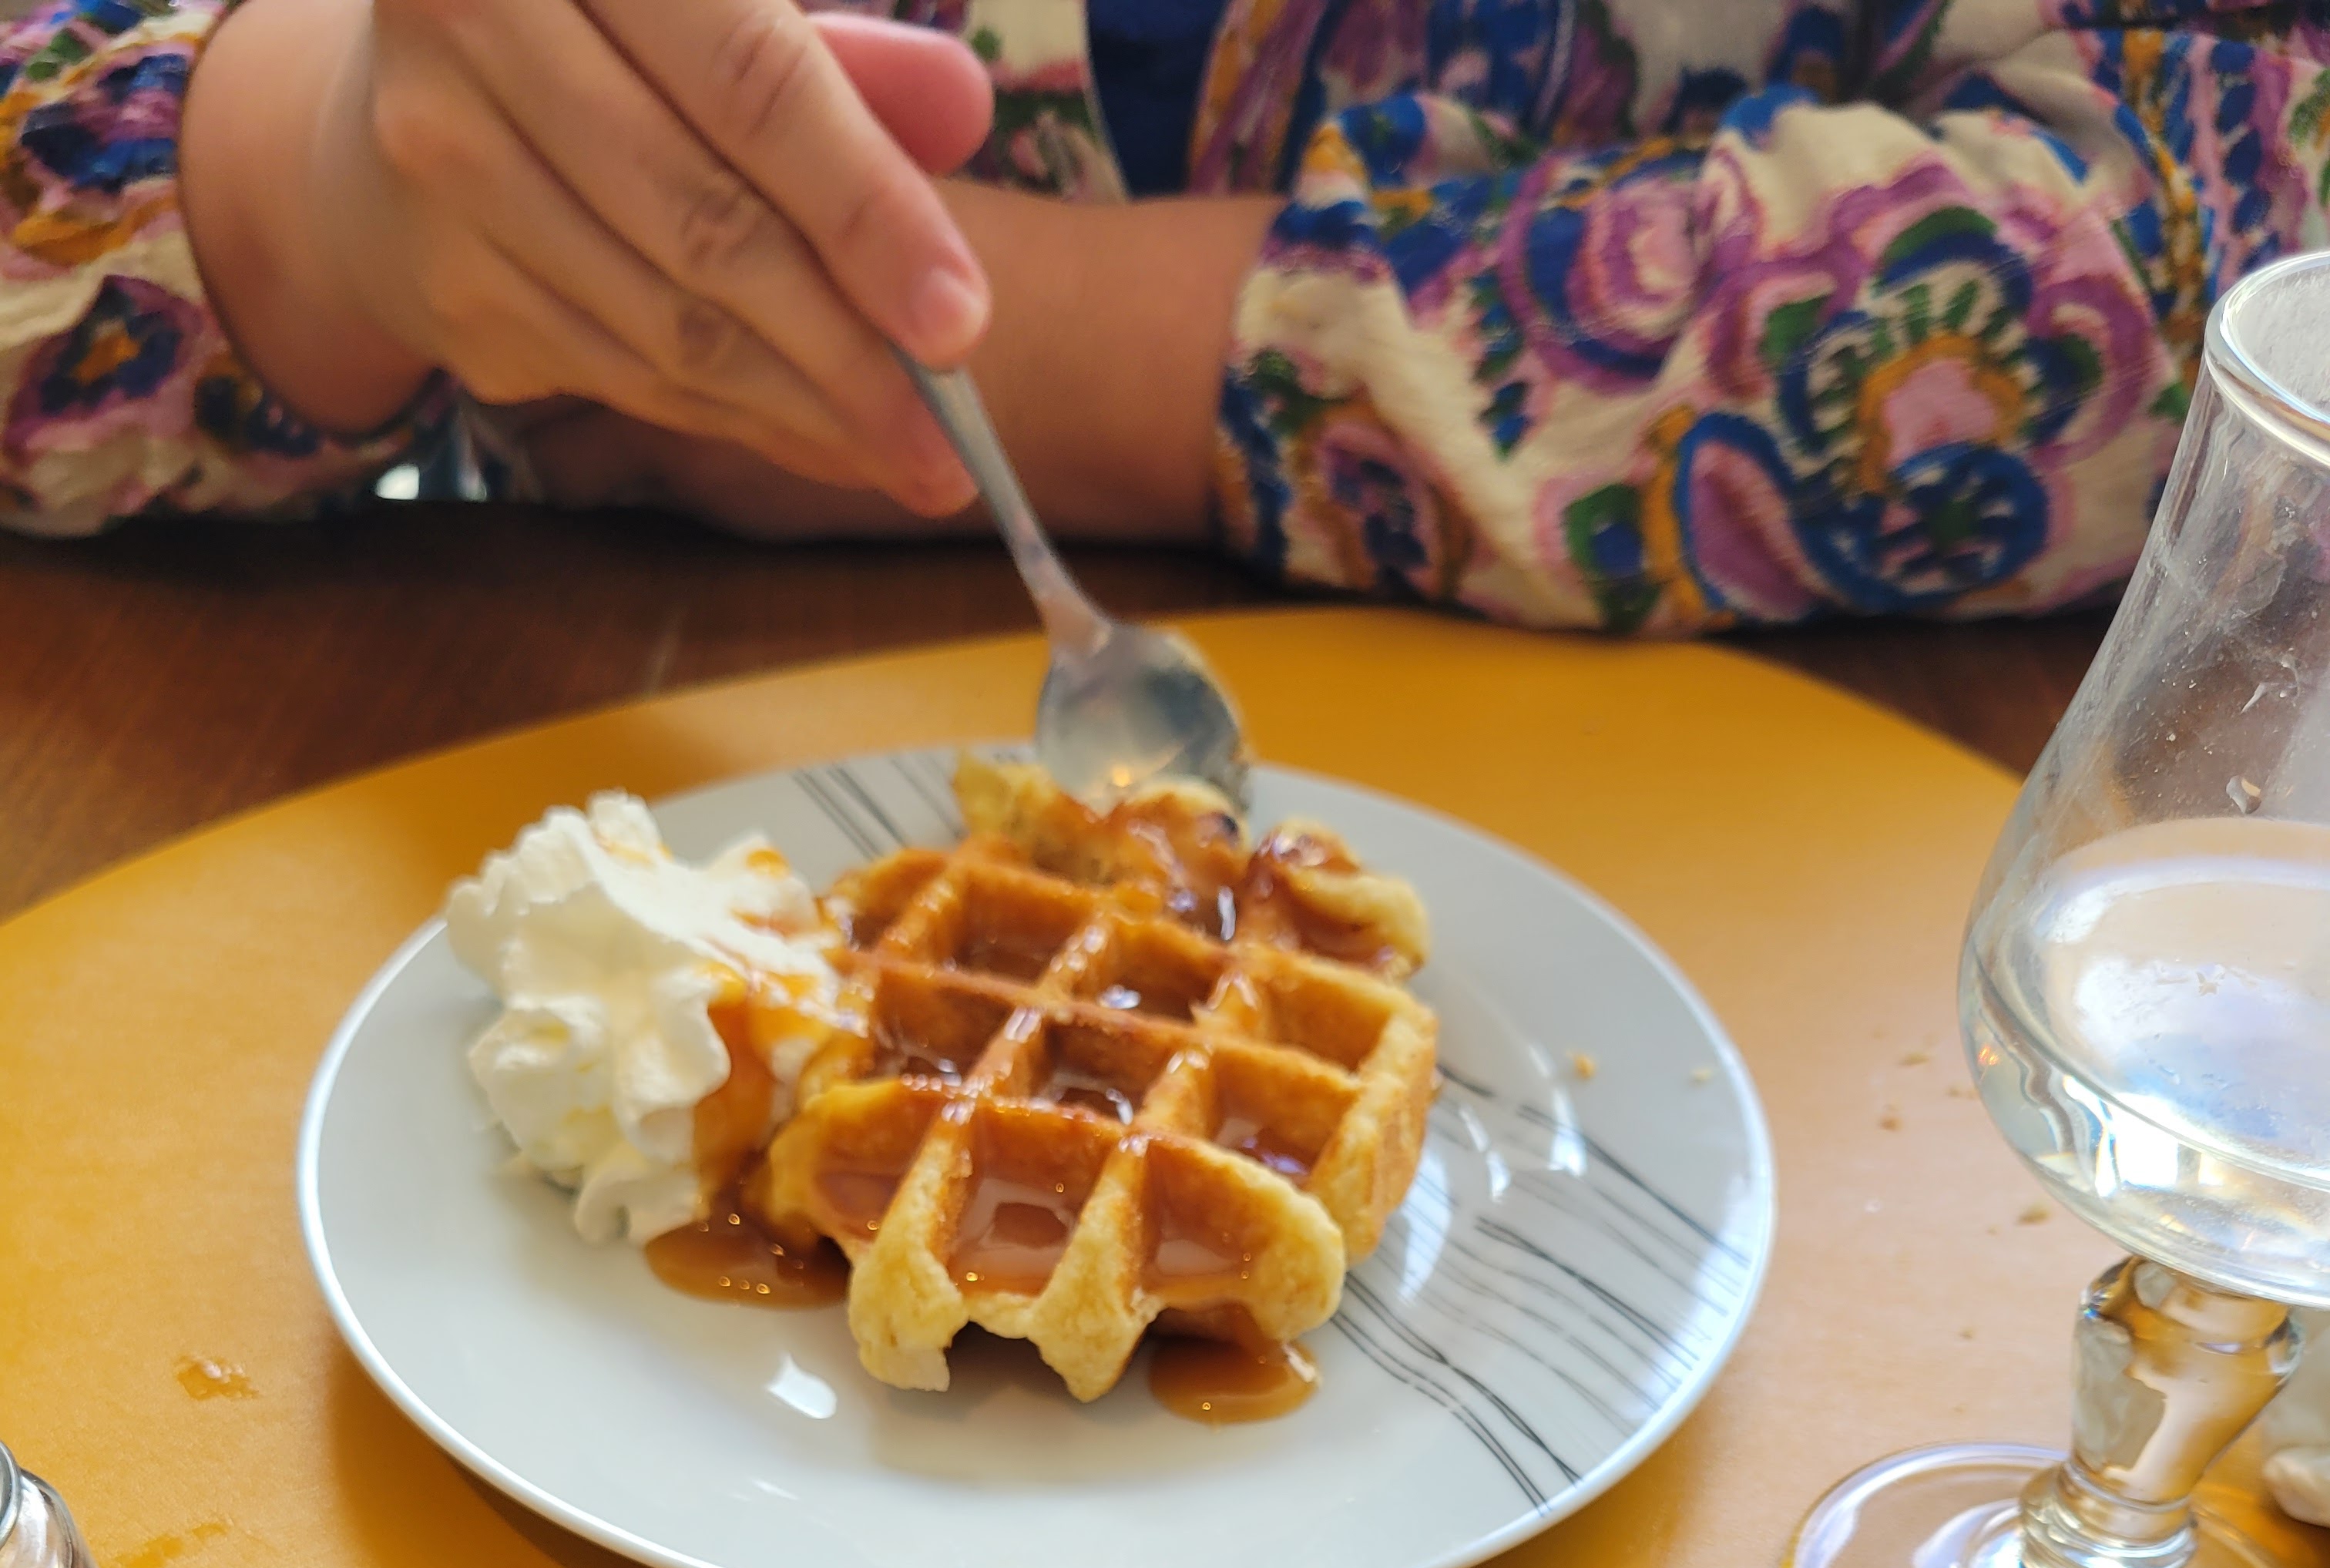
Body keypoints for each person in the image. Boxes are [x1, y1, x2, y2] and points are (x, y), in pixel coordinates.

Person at [2, 0, 2324, 630]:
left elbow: (2224, 262)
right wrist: (310, 182)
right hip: (489, 710)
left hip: (1822, 956)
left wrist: (1068, 351)